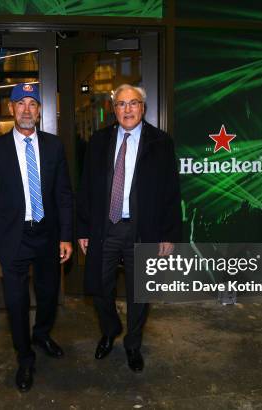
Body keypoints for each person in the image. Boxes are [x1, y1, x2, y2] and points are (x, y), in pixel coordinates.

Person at [76, 84, 182, 372]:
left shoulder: (161, 143)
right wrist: (83, 229)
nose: (127, 109)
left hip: (143, 229)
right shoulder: (98, 141)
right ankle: (110, 330)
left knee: (139, 292)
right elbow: (85, 187)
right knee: (99, 288)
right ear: (114, 110)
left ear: (143, 108)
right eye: (121, 104)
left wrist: (169, 234)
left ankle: (132, 344)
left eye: (133, 103)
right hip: (105, 228)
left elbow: (172, 192)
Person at [0, 83, 73, 392]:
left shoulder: (55, 146)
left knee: (48, 295)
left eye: (33, 103)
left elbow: (63, 195)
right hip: (13, 238)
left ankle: (42, 334)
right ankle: (25, 357)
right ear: (11, 108)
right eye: (21, 103)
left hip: (48, 236)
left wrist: (67, 236)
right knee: (16, 302)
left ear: (39, 110)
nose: (27, 109)